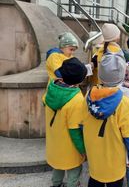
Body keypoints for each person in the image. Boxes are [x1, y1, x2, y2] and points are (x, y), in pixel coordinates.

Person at [83, 52, 129, 187]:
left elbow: (81, 122)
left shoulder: (88, 96)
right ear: (121, 77)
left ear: (100, 75)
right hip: (114, 158)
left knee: (95, 180)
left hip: (94, 154)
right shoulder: (125, 103)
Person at [43, 57, 87, 187]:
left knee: (57, 167)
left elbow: (44, 101)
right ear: (79, 80)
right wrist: (83, 150)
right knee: (74, 170)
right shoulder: (76, 100)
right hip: (69, 148)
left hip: (54, 143)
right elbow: (74, 130)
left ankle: (56, 184)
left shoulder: (51, 87)